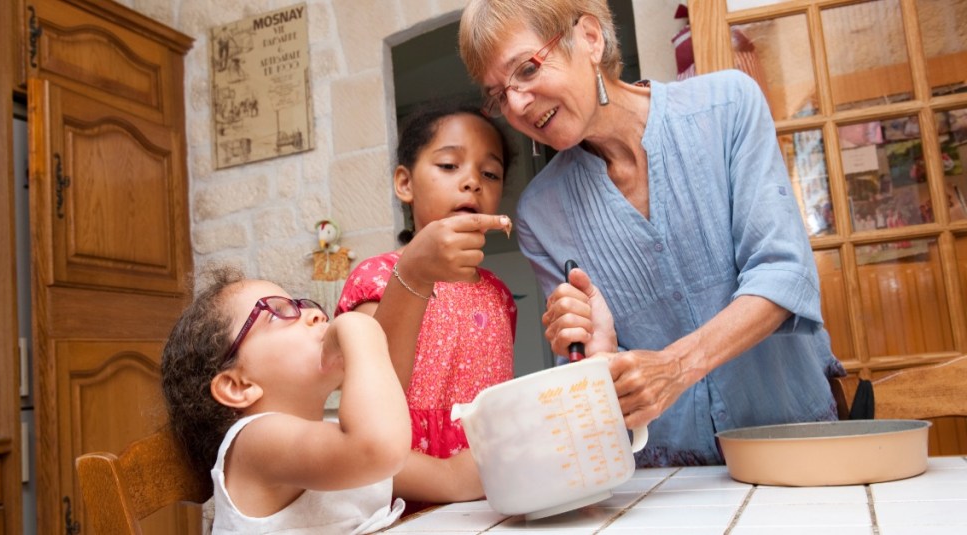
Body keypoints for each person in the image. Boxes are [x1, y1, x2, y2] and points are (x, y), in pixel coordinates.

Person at [458, 0, 846, 467]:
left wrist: (677, 365)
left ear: (590, 38)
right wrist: (597, 352)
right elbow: (588, 377)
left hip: (795, 447)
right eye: (499, 94)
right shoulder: (540, 213)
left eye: (526, 69)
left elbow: (784, 272)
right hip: (665, 481)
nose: (516, 105)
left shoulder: (726, 107)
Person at [335, 100, 517, 504]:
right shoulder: (376, 277)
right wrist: (413, 275)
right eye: (449, 166)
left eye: (490, 173)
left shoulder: (499, 295)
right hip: (400, 495)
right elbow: (371, 406)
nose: (472, 182)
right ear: (405, 183)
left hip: (490, 494)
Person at [160, 267, 410, 534]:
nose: (318, 315)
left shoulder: (333, 437)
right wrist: (362, 331)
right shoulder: (255, 442)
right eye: (278, 311)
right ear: (238, 385)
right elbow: (378, 448)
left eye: (303, 305)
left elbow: (449, 477)